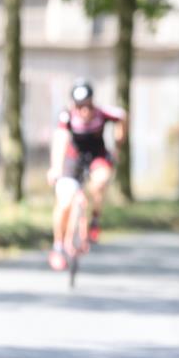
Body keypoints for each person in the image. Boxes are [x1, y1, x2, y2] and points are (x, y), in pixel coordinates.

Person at [46, 79, 126, 271]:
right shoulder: (66, 117)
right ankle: (58, 246)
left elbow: (123, 116)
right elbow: (60, 139)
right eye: (79, 106)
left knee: (100, 182)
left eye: (87, 106)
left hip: (97, 156)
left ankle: (94, 220)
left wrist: (119, 142)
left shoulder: (102, 114)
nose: (84, 111)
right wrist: (55, 167)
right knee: (64, 202)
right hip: (72, 159)